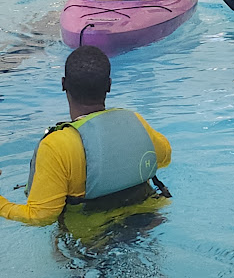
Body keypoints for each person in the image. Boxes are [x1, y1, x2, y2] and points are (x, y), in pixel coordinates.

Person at [0, 46, 171, 226]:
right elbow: (164, 157)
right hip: (150, 223)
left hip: (93, 238)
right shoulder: (135, 121)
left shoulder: (56, 146)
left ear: (63, 84)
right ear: (109, 85)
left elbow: (41, 217)